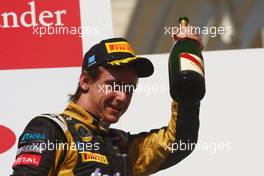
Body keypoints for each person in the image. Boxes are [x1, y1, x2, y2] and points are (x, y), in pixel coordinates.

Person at [11, 25, 203, 176]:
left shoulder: (121, 145)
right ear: (85, 81)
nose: (122, 97)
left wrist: (187, 87)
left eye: (129, 88)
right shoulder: (52, 130)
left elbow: (179, 143)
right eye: (114, 85)